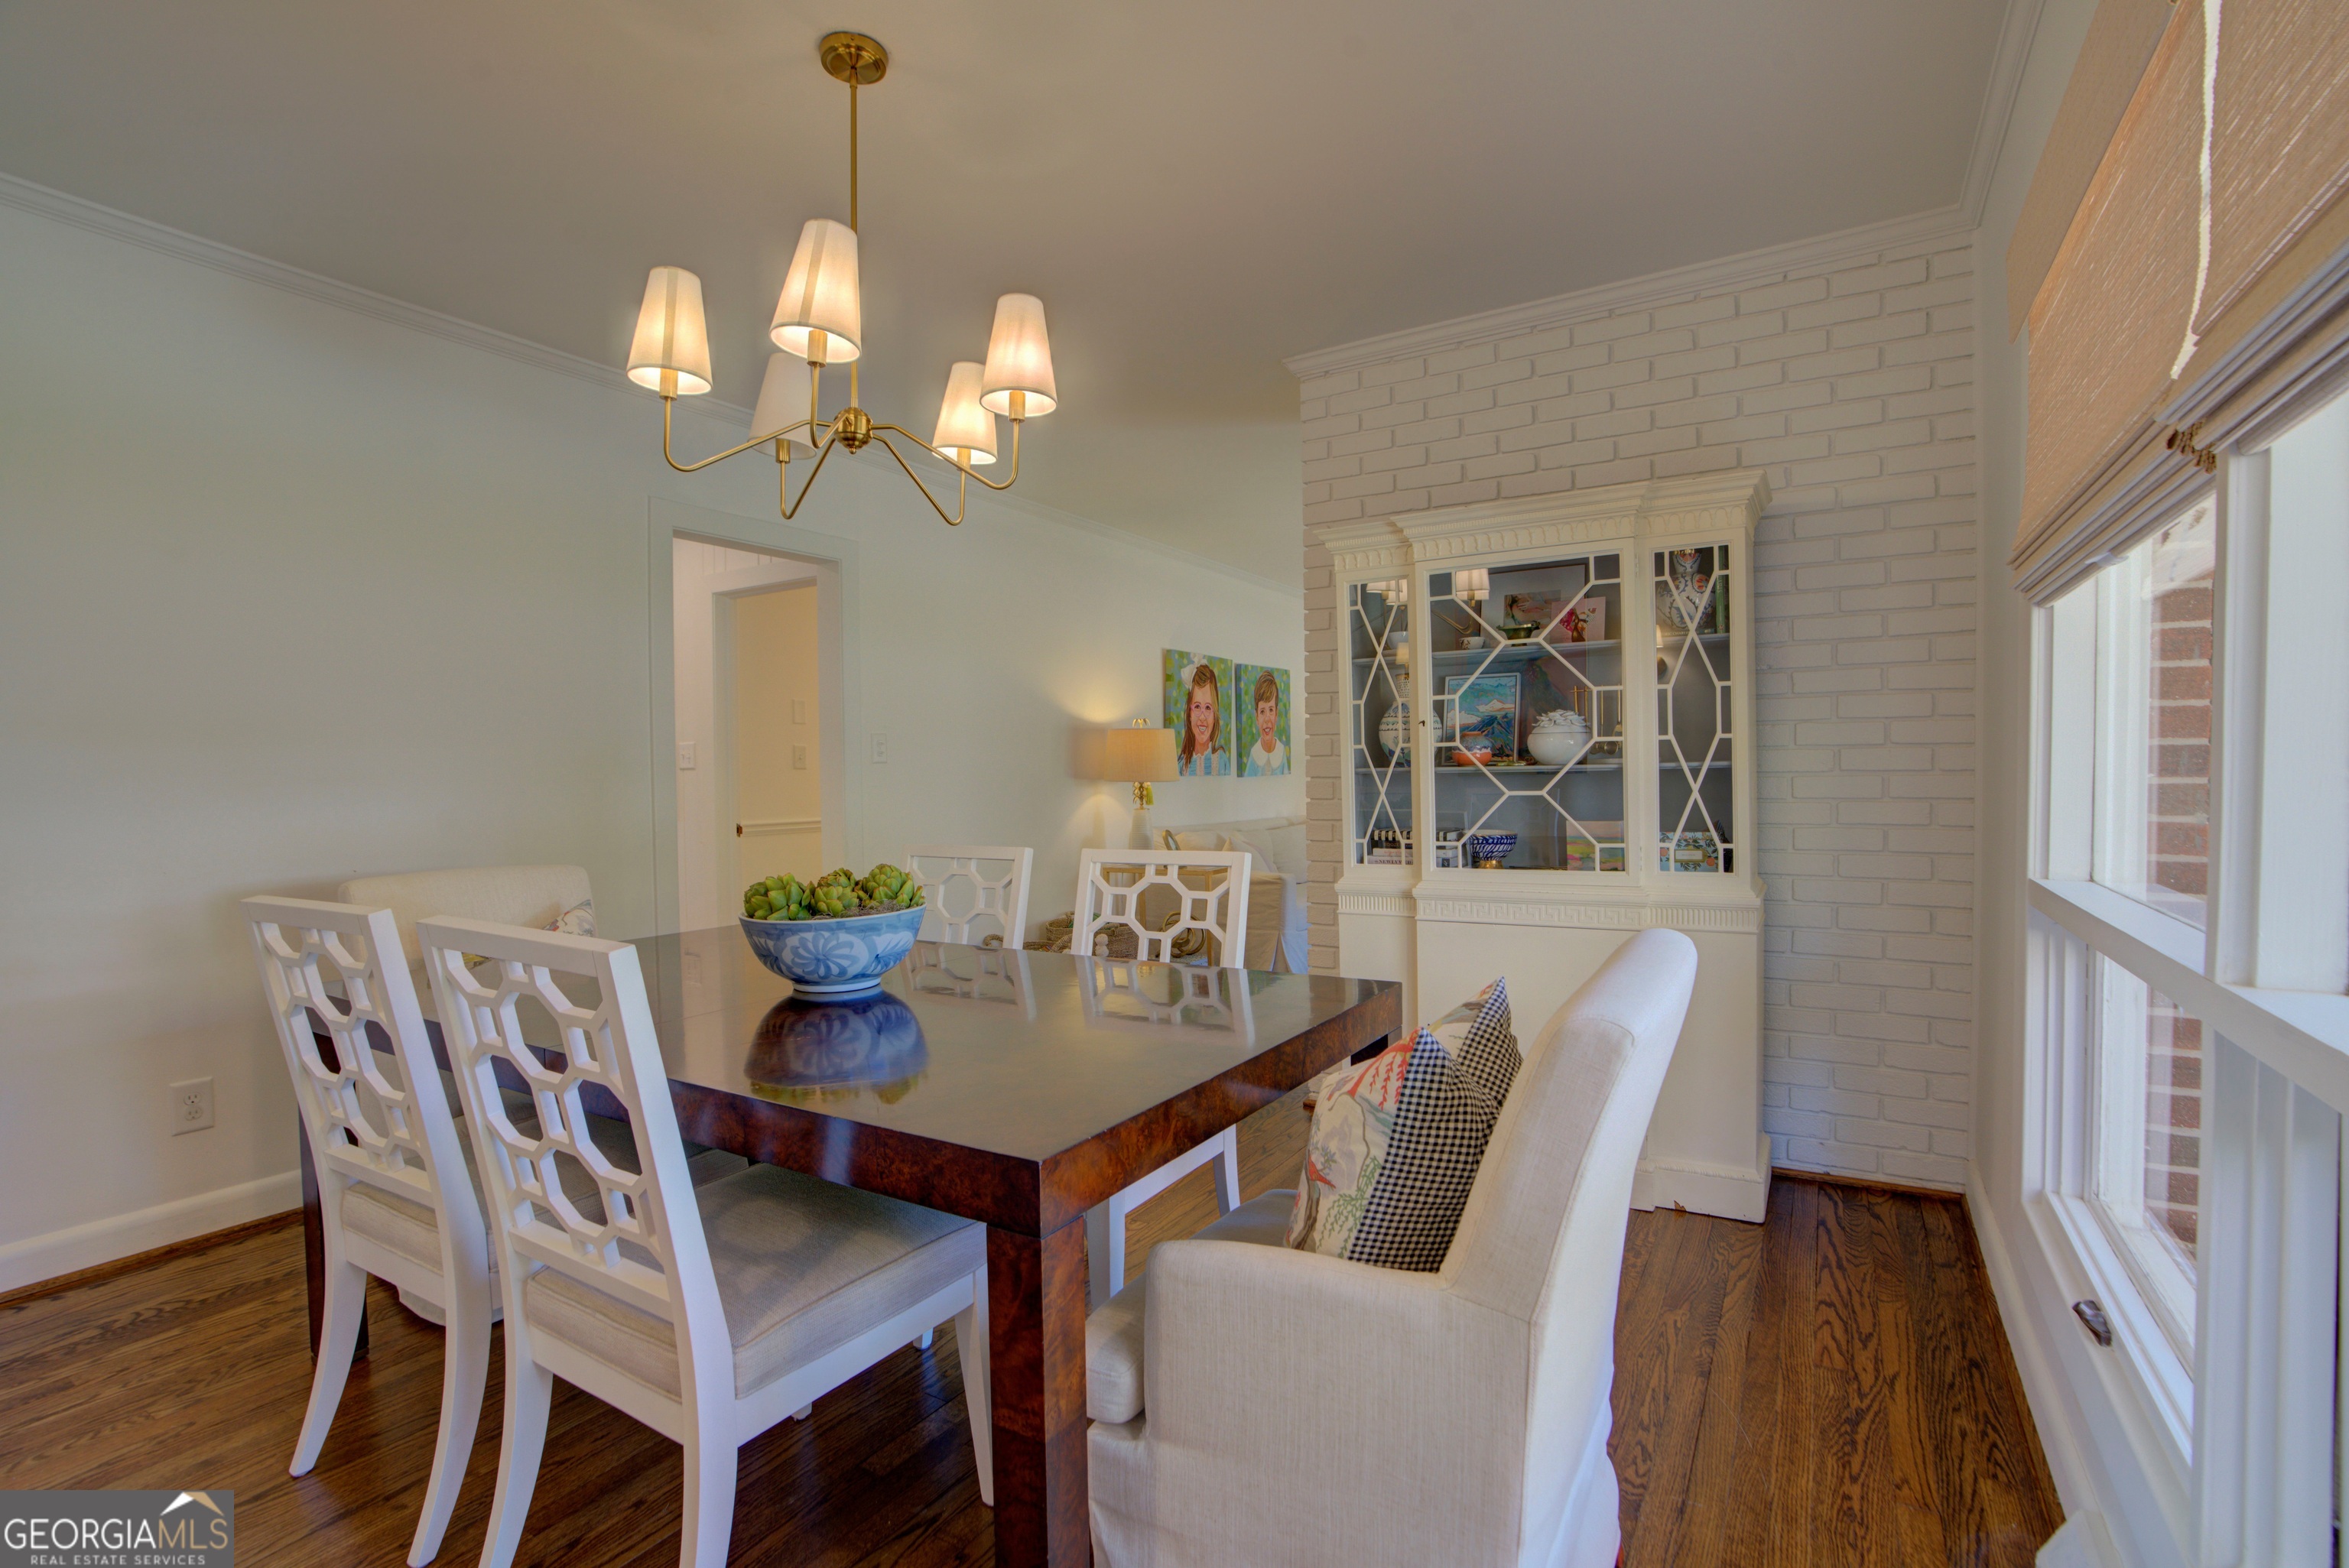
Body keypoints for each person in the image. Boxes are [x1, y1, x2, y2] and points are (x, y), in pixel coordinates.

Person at [1178, 661, 1229, 775]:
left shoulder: (1222, 761)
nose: (1202, 717)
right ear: (1189, 713)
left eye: (1208, 708)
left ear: (1215, 716)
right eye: (1197, 707)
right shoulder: (1181, 767)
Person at [1244, 668, 1288, 775]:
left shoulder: (1281, 752)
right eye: (1262, 712)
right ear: (1257, 717)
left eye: (1271, 710)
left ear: (1276, 714)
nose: (1267, 719)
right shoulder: (1254, 754)